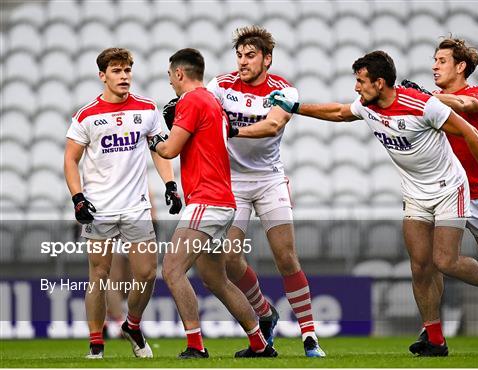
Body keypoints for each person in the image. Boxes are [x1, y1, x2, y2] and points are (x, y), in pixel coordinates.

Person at [269, 50, 478, 357]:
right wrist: (295, 107)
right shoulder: (366, 106)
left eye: (360, 81)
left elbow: (470, 132)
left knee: (445, 261)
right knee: (420, 266)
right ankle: (435, 339)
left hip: (448, 189)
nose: (356, 88)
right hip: (415, 193)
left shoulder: (422, 104)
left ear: (379, 82)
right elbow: (337, 112)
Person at [203, 25, 325, 357]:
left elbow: (273, 124)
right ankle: (265, 312)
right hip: (234, 184)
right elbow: (204, 115)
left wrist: (233, 128)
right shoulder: (221, 85)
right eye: (239, 55)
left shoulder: (284, 89)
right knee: (229, 259)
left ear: (267, 59)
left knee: (286, 258)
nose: (242, 61)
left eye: (250, 55)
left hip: (270, 180)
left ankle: (309, 336)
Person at [149, 48, 277, 359]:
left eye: (170, 77)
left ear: (179, 73)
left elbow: (169, 151)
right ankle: (259, 343)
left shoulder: (191, 101)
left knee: (172, 269)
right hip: (223, 200)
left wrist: (153, 138)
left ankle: (195, 345)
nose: (170, 83)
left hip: (206, 200)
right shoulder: (212, 102)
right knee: (216, 279)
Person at [403, 37, 478, 356]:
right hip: (444, 192)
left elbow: (463, 106)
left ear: (461, 67)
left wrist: (426, 97)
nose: (434, 65)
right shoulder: (431, 104)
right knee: (431, 263)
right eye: (434, 60)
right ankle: (432, 332)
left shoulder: (477, 94)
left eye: (441, 61)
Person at [64, 48, 182, 359]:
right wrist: (78, 198)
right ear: (102, 76)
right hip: (99, 209)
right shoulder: (86, 115)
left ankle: (132, 324)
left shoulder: (147, 109)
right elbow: (70, 160)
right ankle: (96, 344)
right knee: (99, 275)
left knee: (146, 273)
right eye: (117, 71)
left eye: (127, 70)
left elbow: (160, 150)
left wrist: (170, 184)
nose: (124, 76)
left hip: (136, 208)